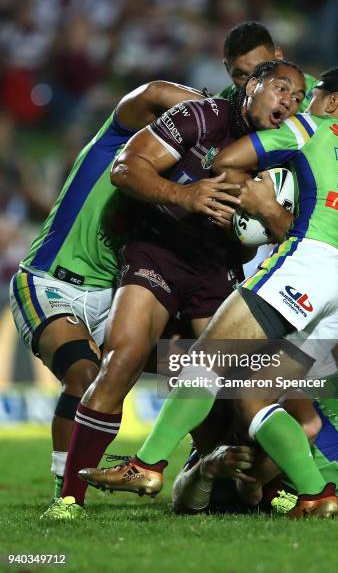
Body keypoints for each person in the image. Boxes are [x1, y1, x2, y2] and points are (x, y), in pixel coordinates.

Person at [78, 66, 338, 518]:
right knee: (254, 395)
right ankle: (318, 495)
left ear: (333, 102)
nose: (299, 105)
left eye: (309, 95)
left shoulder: (311, 127)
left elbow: (226, 161)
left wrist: (257, 203)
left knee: (206, 358)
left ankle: (147, 464)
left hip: (310, 262)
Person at [41, 60, 307, 521]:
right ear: (251, 86)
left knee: (245, 389)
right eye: (281, 87)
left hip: (214, 272)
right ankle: (69, 500)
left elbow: (265, 241)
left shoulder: (285, 156)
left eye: (299, 96)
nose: (290, 100)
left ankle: (268, 488)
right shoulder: (201, 117)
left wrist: (249, 229)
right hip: (157, 253)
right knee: (121, 358)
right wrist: (184, 195)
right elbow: (126, 168)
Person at [9, 79, 212, 499]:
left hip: (112, 299)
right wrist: (214, 111)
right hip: (49, 282)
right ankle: (67, 491)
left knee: (204, 365)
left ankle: (210, 461)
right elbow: (155, 92)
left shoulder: (171, 181)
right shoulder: (121, 139)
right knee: (84, 375)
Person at [219, 21, 338, 421]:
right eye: (242, 75)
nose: (255, 82)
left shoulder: (318, 97)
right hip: (315, 229)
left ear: (279, 58)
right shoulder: (243, 99)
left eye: (263, 69)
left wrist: (311, 203)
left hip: (332, 228)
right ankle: (318, 451)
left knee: (280, 353)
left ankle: (320, 449)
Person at [172, 398, 338, 516]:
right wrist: (206, 469)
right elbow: (182, 500)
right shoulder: (219, 450)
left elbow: (308, 428)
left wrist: (252, 480)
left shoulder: (267, 387)